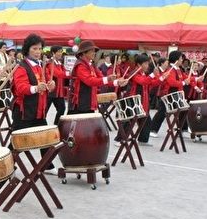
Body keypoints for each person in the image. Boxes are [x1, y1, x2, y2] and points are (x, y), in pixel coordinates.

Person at [11, 34, 58, 173]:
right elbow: (20, 88)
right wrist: (36, 88)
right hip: (23, 111)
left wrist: (51, 85)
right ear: (27, 49)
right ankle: (6, 167)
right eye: (34, 48)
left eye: (40, 48)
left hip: (38, 110)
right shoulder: (21, 67)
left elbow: (45, 85)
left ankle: (47, 165)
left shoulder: (39, 66)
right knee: (16, 143)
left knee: (45, 139)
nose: (38, 52)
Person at [69, 40, 124, 115]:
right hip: (80, 103)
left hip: (89, 101)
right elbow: (90, 81)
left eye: (94, 51)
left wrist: (117, 82)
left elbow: (102, 78)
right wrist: (108, 78)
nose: (94, 53)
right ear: (84, 52)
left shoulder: (91, 65)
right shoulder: (80, 66)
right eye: (92, 51)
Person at [125, 54, 163, 145]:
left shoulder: (143, 73)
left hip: (143, 100)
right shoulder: (134, 73)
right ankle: (120, 139)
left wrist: (161, 78)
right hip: (134, 101)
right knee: (129, 122)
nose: (147, 66)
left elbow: (151, 83)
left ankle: (143, 140)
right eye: (145, 63)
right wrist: (153, 74)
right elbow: (143, 81)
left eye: (147, 63)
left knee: (146, 121)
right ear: (139, 64)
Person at [149, 51, 189, 137]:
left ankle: (183, 129)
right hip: (168, 94)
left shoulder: (178, 69)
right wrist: (183, 83)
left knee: (183, 110)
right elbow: (172, 82)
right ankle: (152, 129)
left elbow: (185, 78)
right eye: (181, 58)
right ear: (176, 60)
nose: (182, 60)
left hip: (176, 95)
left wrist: (195, 79)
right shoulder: (170, 69)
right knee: (162, 113)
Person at [45, 46, 67, 125]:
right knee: (44, 111)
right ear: (53, 53)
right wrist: (67, 73)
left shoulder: (60, 64)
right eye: (58, 52)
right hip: (50, 91)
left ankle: (56, 126)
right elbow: (58, 74)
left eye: (61, 51)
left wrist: (67, 73)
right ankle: (42, 126)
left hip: (59, 92)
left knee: (62, 109)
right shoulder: (50, 63)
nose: (60, 53)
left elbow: (65, 74)